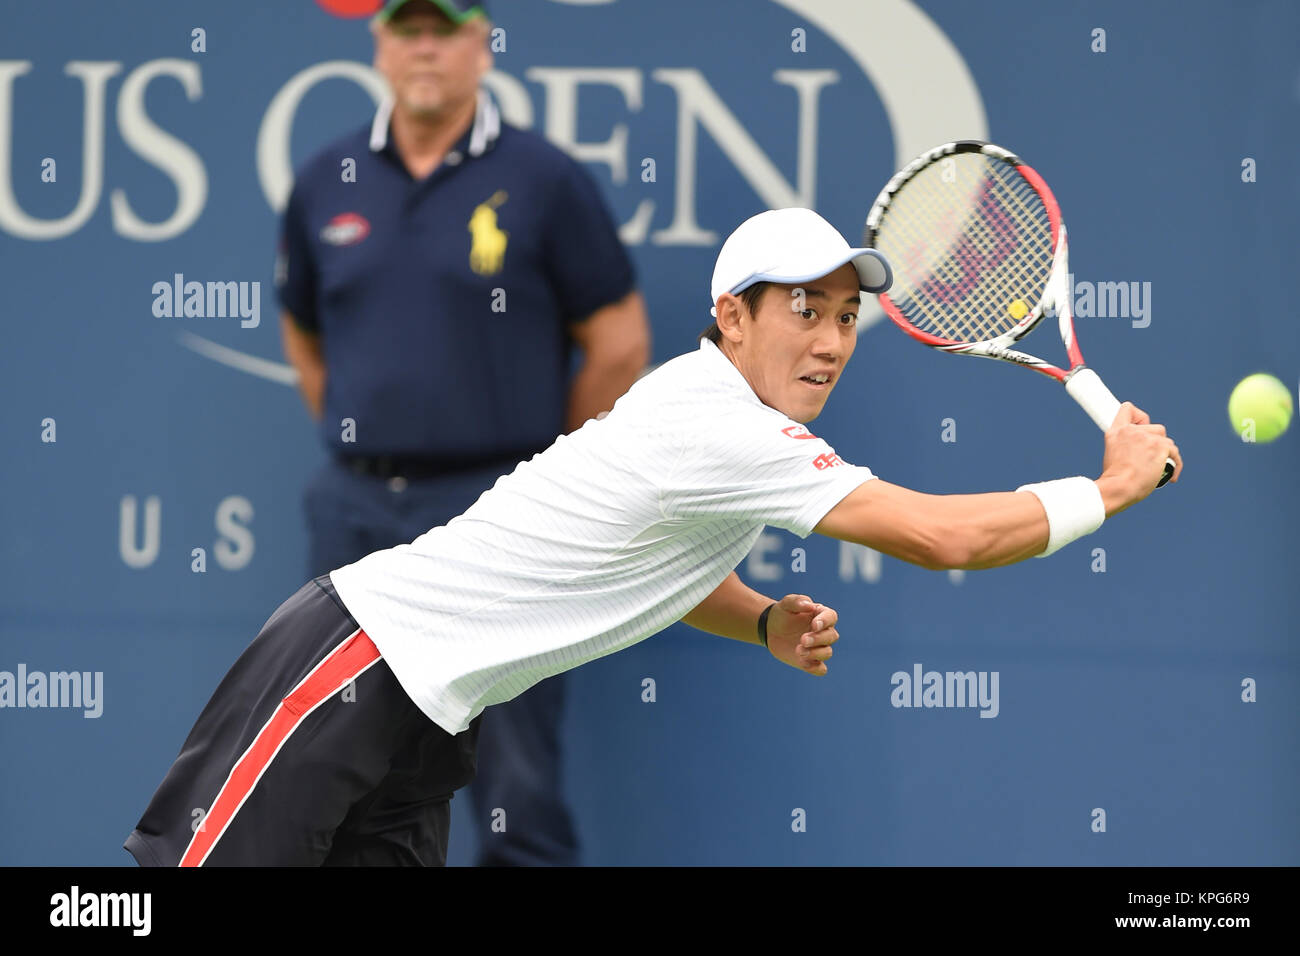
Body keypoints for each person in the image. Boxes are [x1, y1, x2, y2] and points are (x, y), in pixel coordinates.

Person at [124, 206, 1182, 867]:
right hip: (353, 658)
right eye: (802, 310)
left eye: (844, 317)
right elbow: (938, 536)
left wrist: (759, 615)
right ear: (732, 316)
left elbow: (642, 559)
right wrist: (1108, 488)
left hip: (430, 717)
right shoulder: (721, 424)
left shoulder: (710, 414)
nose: (828, 340)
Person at [276, 0, 650, 865]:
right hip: (356, 510)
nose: (425, 50)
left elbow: (619, 339)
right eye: (407, 30)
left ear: (481, 46)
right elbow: (303, 330)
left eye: (444, 30)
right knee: (334, 757)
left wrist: (544, 477)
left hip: (497, 510)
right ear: (379, 46)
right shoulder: (326, 177)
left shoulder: (543, 178)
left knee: (514, 774)